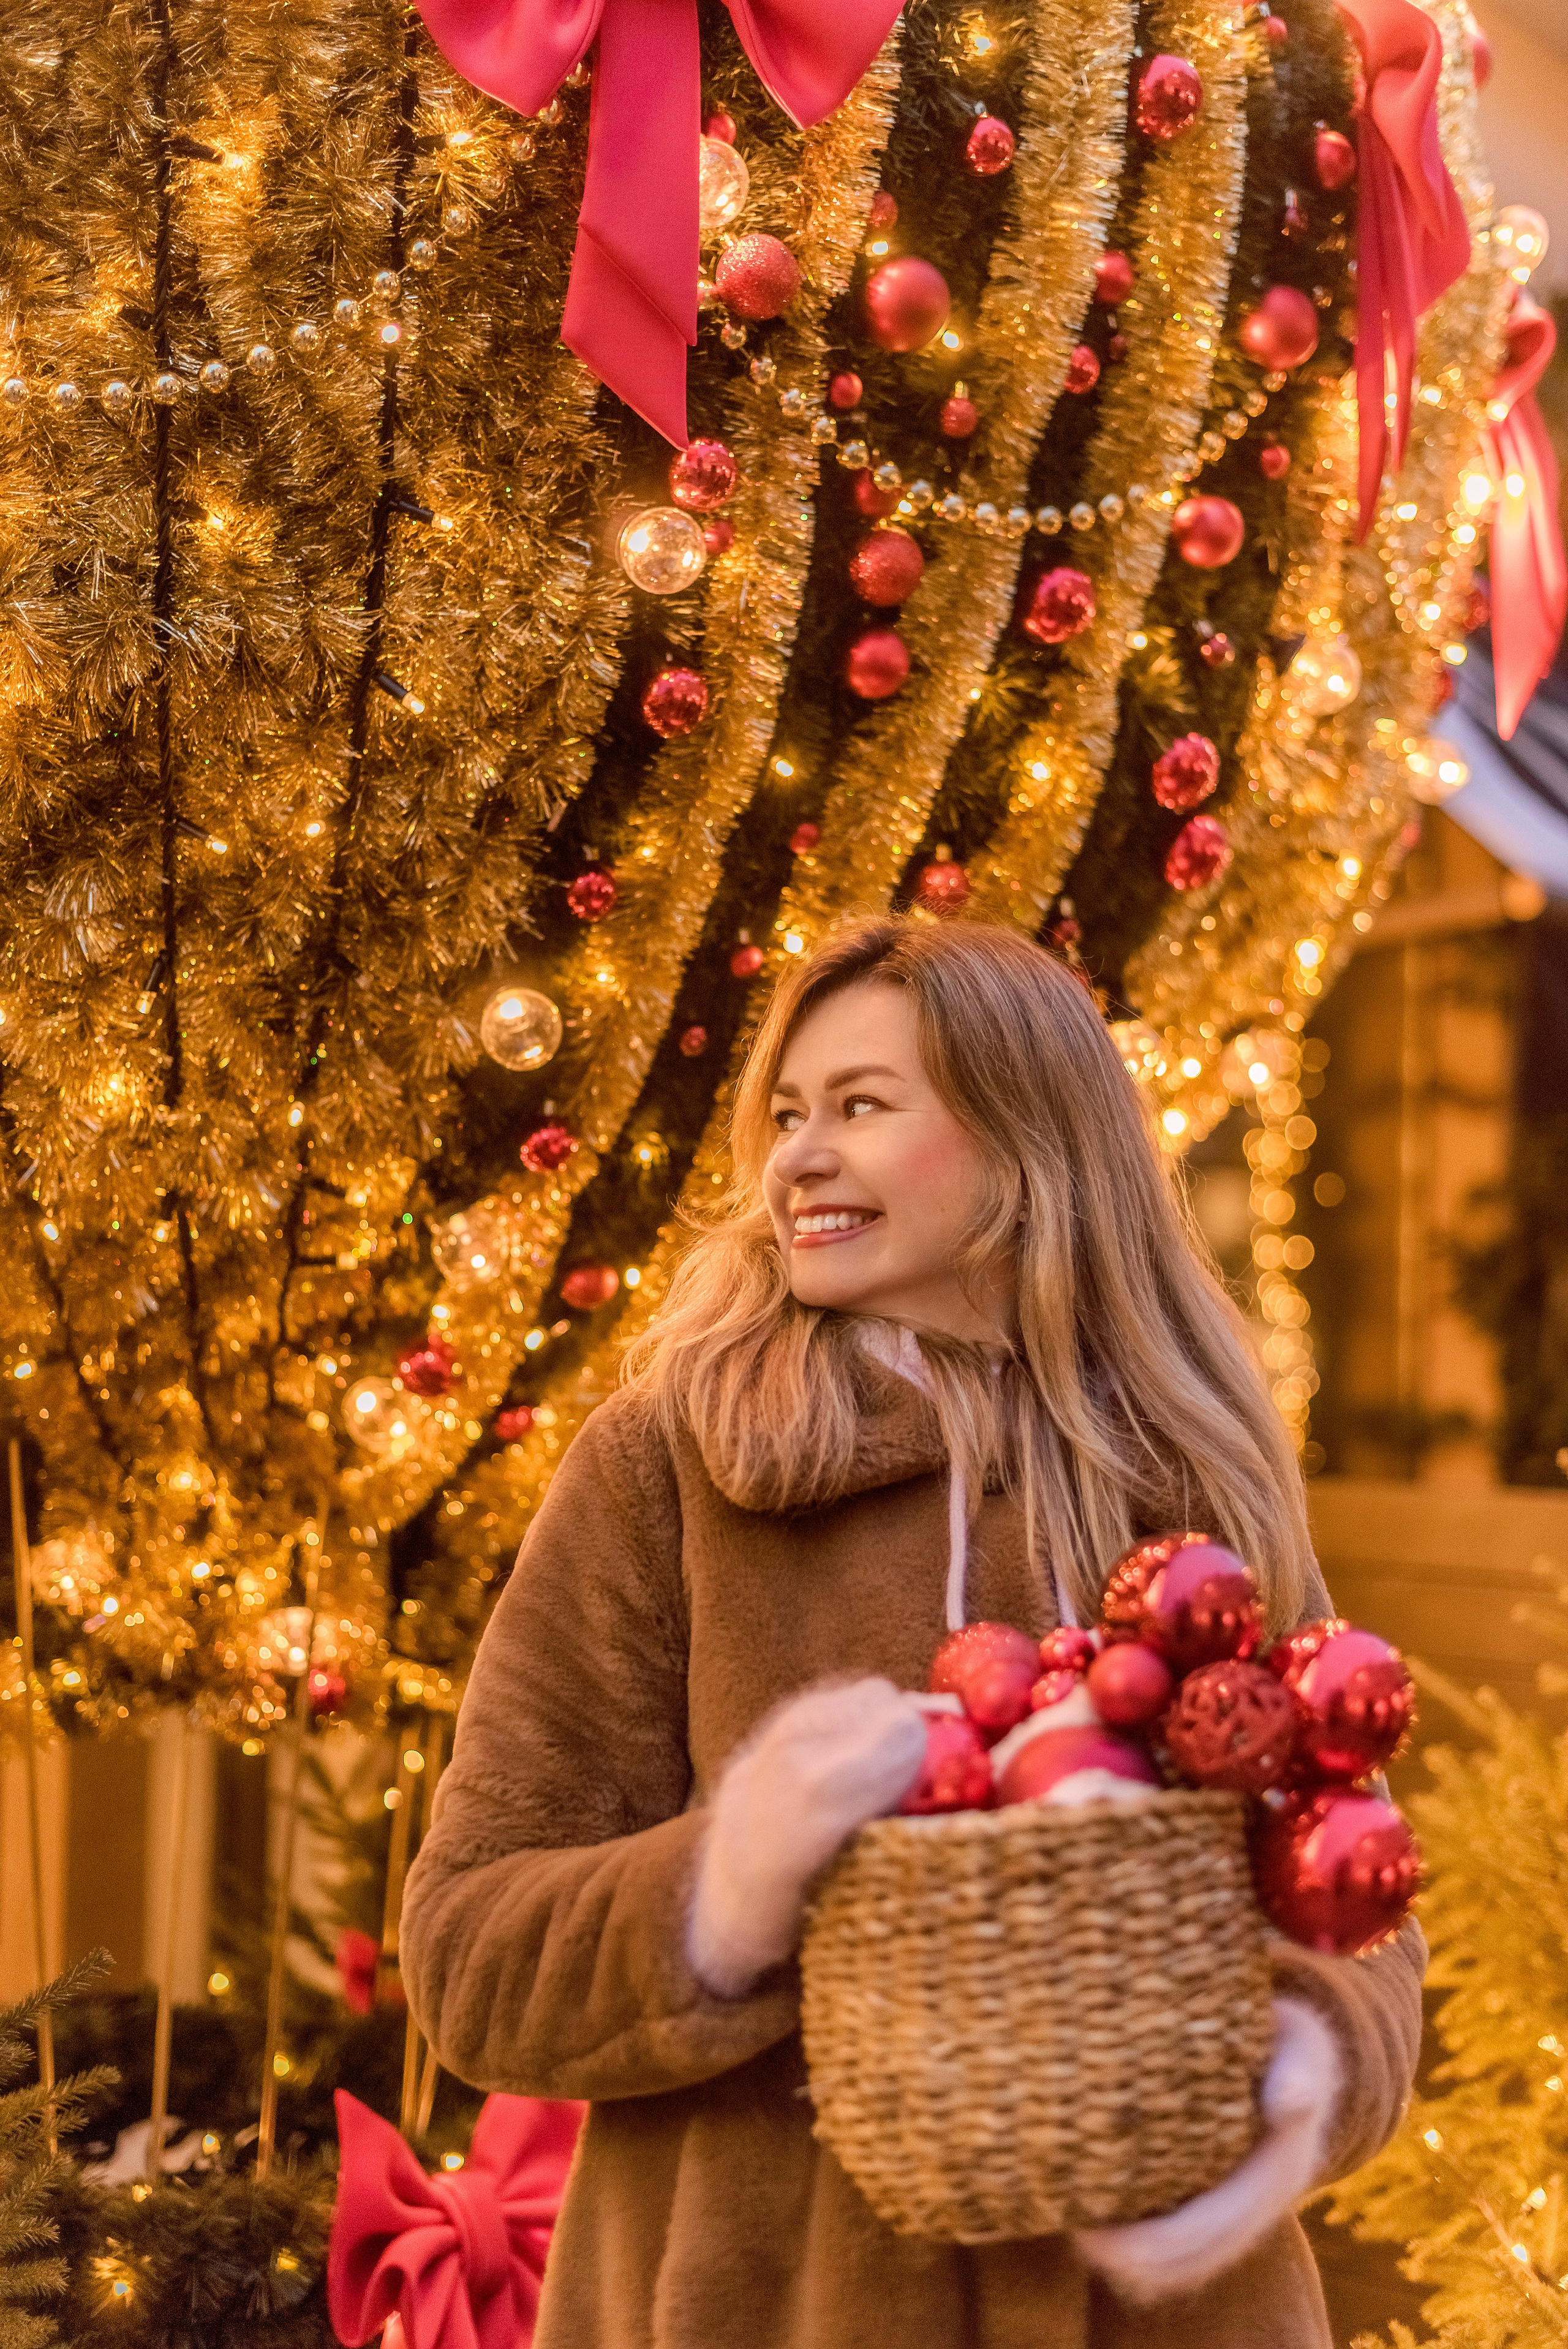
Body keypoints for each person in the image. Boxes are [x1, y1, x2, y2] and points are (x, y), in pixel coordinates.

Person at [401, 917, 1424, 2349]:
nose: (796, 1157)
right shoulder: (664, 1466)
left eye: (861, 1106)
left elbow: (1355, 1898)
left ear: (1022, 1141)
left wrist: (1286, 2075)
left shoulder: (1184, 1483)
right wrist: (729, 1889)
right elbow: (468, 1954)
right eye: (789, 1114)